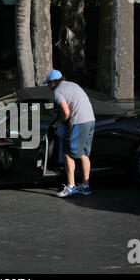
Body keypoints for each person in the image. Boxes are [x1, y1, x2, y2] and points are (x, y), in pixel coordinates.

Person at [43, 69, 95, 197]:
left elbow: (66, 113)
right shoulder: (72, 84)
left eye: (48, 83)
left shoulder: (57, 91)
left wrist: (58, 124)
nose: (48, 86)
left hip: (78, 122)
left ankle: (71, 186)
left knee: (67, 153)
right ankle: (85, 186)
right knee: (83, 153)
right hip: (91, 120)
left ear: (53, 82)